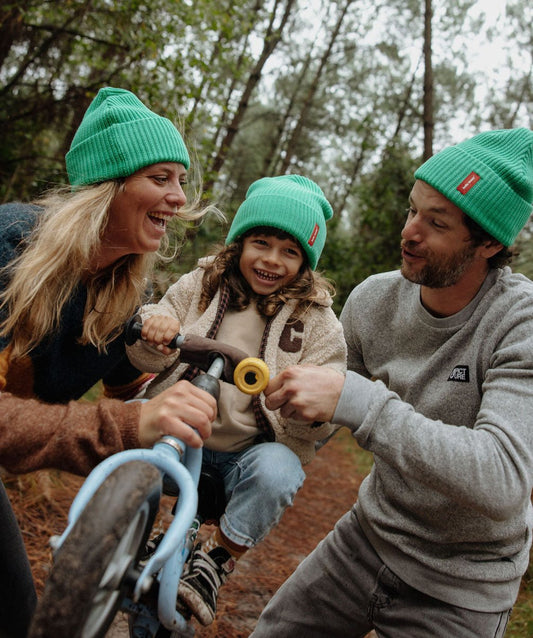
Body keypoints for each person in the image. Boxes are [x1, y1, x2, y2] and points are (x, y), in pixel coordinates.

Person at [250, 127, 533, 638]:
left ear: (489, 242)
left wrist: (362, 402)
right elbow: (322, 419)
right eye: (412, 210)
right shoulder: (373, 301)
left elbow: (503, 480)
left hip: (462, 588)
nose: (409, 232)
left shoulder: (520, 323)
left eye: (437, 223)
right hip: (367, 538)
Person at [0, 86, 218, 638]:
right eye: (159, 178)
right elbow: (123, 419)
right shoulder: (11, 247)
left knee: (23, 615)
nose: (177, 197)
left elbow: (129, 395)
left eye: (181, 181)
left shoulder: (115, 297)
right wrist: (126, 425)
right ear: (108, 186)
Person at [126, 174, 347, 626]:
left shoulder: (318, 321)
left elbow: (328, 396)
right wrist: (157, 326)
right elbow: (155, 323)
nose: (271, 259)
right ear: (240, 243)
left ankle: (216, 562)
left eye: (290, 251)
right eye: (261, 243)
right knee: (127, 422)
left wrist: (307, 399)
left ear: (306, 263)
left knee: (280, 469)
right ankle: (126, 529)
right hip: (178, 432)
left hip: (245, 457)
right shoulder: (204, 282)